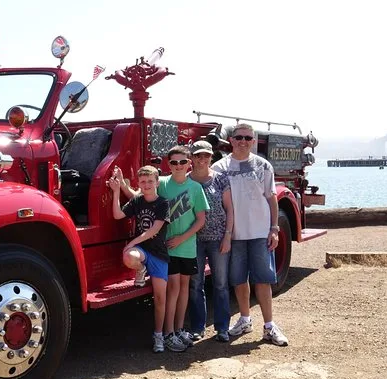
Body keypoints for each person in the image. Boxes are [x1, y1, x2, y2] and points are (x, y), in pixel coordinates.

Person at [116, 146, 208, 352]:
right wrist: (121, 186)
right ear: (169, 164)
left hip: (187, 246)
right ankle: (168, 333)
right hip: (167, 248)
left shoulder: (195, 188)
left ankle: (178, 329)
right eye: (174, 162)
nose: (178, 166)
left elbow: (201, 219)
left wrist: (182, 238)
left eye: (182, 162)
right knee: (173, 289)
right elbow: (140, 195)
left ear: (189, 163)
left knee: (184, 288)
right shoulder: (162, 183)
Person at [212, 123, 289, 346]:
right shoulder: (219, 168)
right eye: (239, 137)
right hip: (234, 234)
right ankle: (244, 319)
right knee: (238, 279)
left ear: (253, 141)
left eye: (248, 138)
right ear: (231, 140)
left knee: (263, 280)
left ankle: (269, 326)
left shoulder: (263, 166)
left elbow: (272, 198)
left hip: (259, 232)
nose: (243, 142)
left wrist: (274, 229)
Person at [108, 165, 170, 353]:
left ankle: (158, 335)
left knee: (160, 298)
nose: (147, 184)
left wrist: (132, 242)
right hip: (142, 251)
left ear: (157, 182)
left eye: (150, 181)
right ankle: (141, 269)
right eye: (143, 182)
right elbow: (118, 214)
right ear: (139, 184)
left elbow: (154, 230)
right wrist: (116, 190)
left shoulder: (163, 203)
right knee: (129, 256)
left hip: (158, 253)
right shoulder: (137, 201)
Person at [188, 141, 234, 342]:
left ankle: (222, 327)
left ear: (211, 157)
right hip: (193, 240)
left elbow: (230, 209)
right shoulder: (185, 180)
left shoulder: (221, 179)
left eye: (206, 155)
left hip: (218, 239)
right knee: (195, 284)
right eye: (198, 155)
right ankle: (197, 327)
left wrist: (228, 236)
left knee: (221, 283)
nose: (202, 159)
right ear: (192, 158)